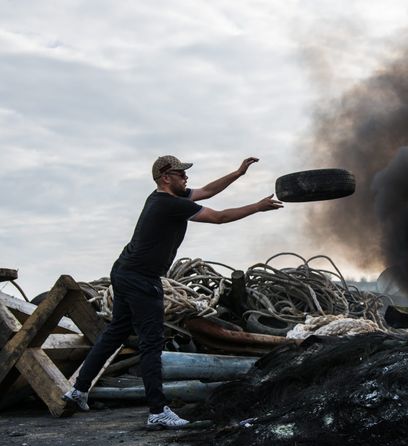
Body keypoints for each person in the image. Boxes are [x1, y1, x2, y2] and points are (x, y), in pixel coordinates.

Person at [63, 155, 283, 428]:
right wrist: (258, 207)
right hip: (141, 279)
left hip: (124, 271)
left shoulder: (162, 198)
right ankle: (158, 412)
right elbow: (219, 217)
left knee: (116, 332)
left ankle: (78, 390)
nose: (186, 178)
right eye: (181, 174)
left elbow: (208, 191)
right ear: (166, 177)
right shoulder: (169, 204)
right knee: (152, 343)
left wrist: (238, 173)